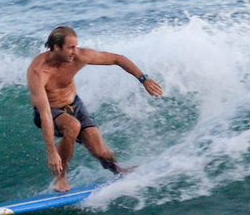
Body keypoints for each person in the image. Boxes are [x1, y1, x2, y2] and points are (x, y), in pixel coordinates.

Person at [28, 26, 163, 192]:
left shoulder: (78, 56)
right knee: (72, 126)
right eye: (70, 47)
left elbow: (117, 59)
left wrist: (144, 79)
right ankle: (61, 178)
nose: (74, 51)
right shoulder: (39, 72)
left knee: (102, 153)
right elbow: (45, 113)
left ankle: (117, 171)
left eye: (76, 46)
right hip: (50, 111)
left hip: (74, 105)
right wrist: (52, 152)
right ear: (56, 47)